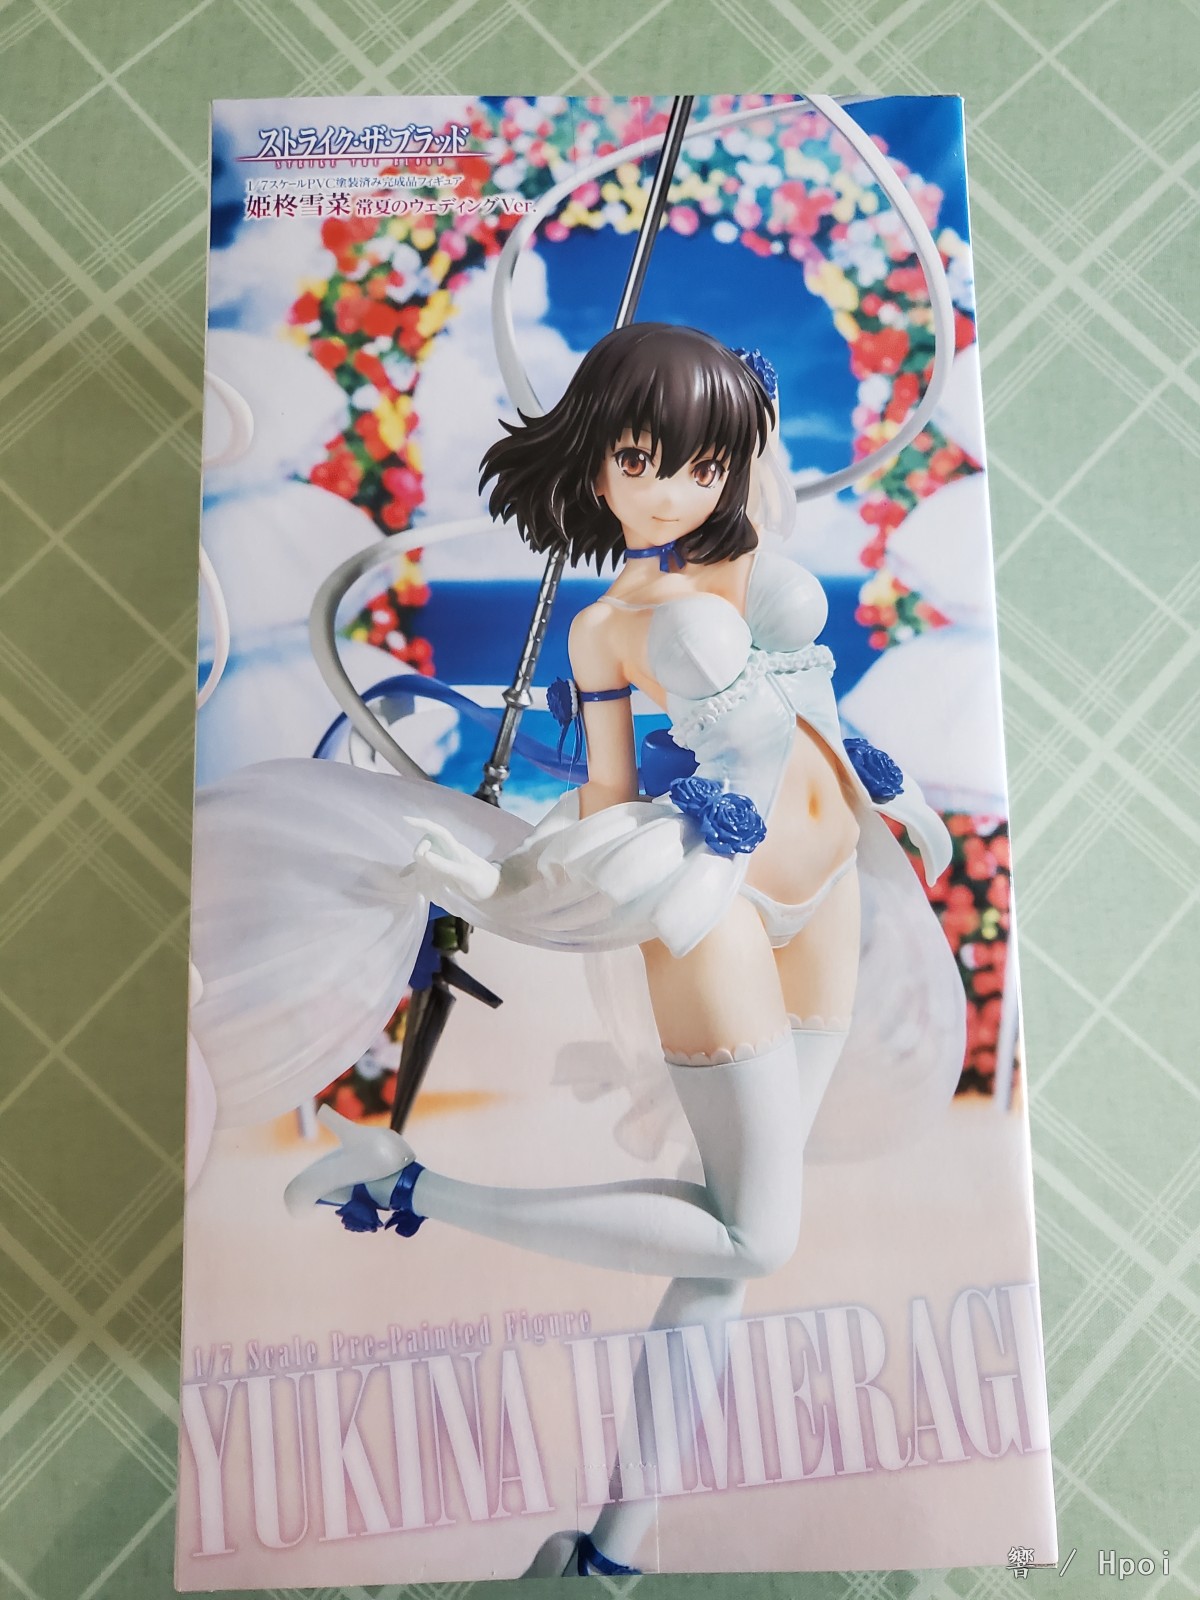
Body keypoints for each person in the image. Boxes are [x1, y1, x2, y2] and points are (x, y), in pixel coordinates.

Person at [190, 322, 963, 1577]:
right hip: (712, 902)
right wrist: (532, 876)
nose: (671, 490)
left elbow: (810, 696)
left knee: (727, 1256)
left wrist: (891, 789)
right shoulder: (606, 626)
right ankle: (413, 1188)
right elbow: (609, 796)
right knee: (756, 1238)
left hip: (830, 887)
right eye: (641, 460)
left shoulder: (745, 551)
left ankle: (611, 1556)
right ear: (596, 460)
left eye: (700, 463)